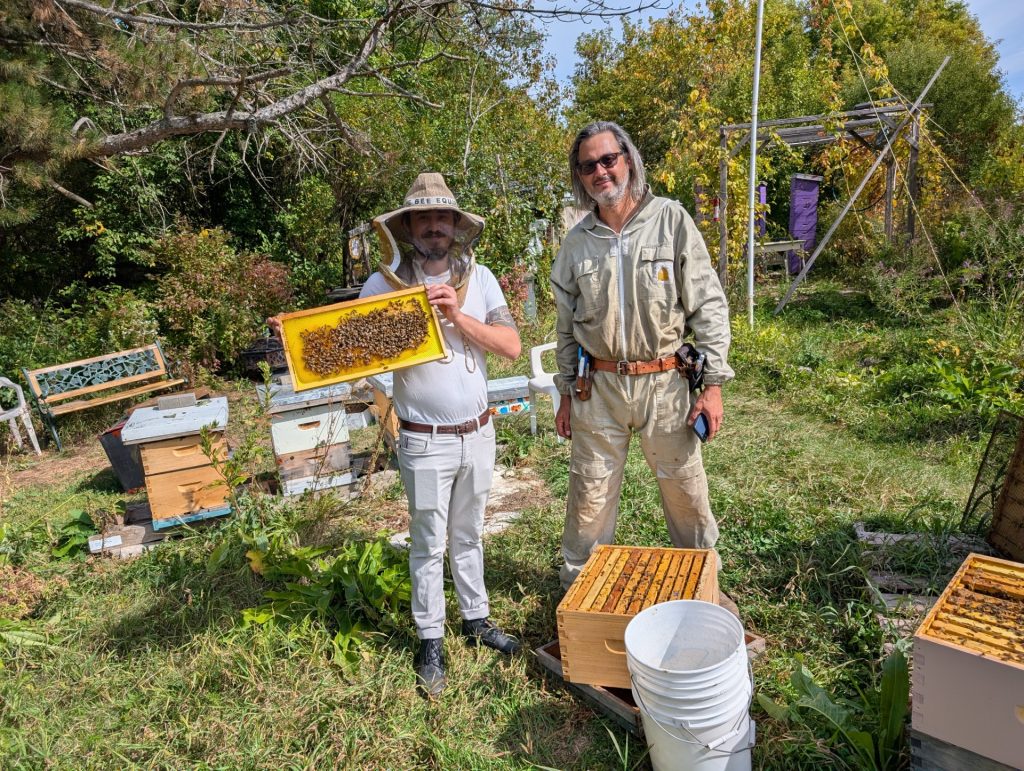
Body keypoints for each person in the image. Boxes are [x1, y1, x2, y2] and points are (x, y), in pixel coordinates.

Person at [550, 121, 734, 593]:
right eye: (588, 165)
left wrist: (711, 386)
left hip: (666, 383)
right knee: (588, 498)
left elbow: (707, 303)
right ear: (580, 175)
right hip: (598, 389)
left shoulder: (671, 220)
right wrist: (567, 392)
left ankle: (704, 589)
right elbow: (567, 327)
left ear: (628, 160)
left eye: (608, 159)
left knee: (686, 493)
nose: (600, 171)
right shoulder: (576, 242)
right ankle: (580, 600)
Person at [360, 172, 523, 698]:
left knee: (470, 532)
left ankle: (475, 620)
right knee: (429, 544)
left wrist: (457, 318)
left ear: (456, 225)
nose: (434, 226)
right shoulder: (383, 285)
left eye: (442, 217)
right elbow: (352, 351)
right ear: (408, 227)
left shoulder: (483, 280)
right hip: (424, 439)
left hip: (478, 432)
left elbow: (511, 346)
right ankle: (431, 638)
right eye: (423, 217)